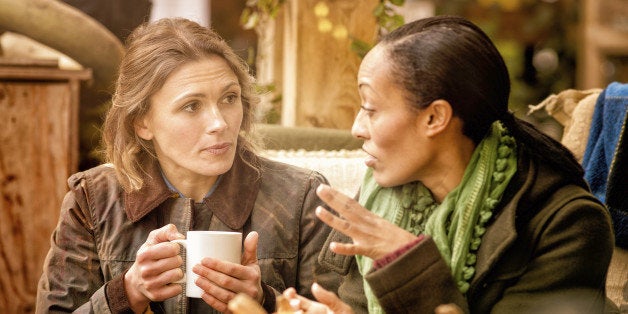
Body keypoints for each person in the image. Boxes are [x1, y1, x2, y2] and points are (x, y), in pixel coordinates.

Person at [281, 15, 615, 314]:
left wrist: (407, 262)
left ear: (435, 117)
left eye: (370, 108)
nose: (356, 128)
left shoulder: (568, 225)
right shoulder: (385, 194)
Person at [35, 17, 338, 313]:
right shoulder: (91, 199)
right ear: (142, 122)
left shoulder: (305, 198)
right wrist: (126, 293)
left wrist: (265, 302)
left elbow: (339, 309)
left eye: (229, 98)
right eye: (191, 106)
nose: (219, 123)